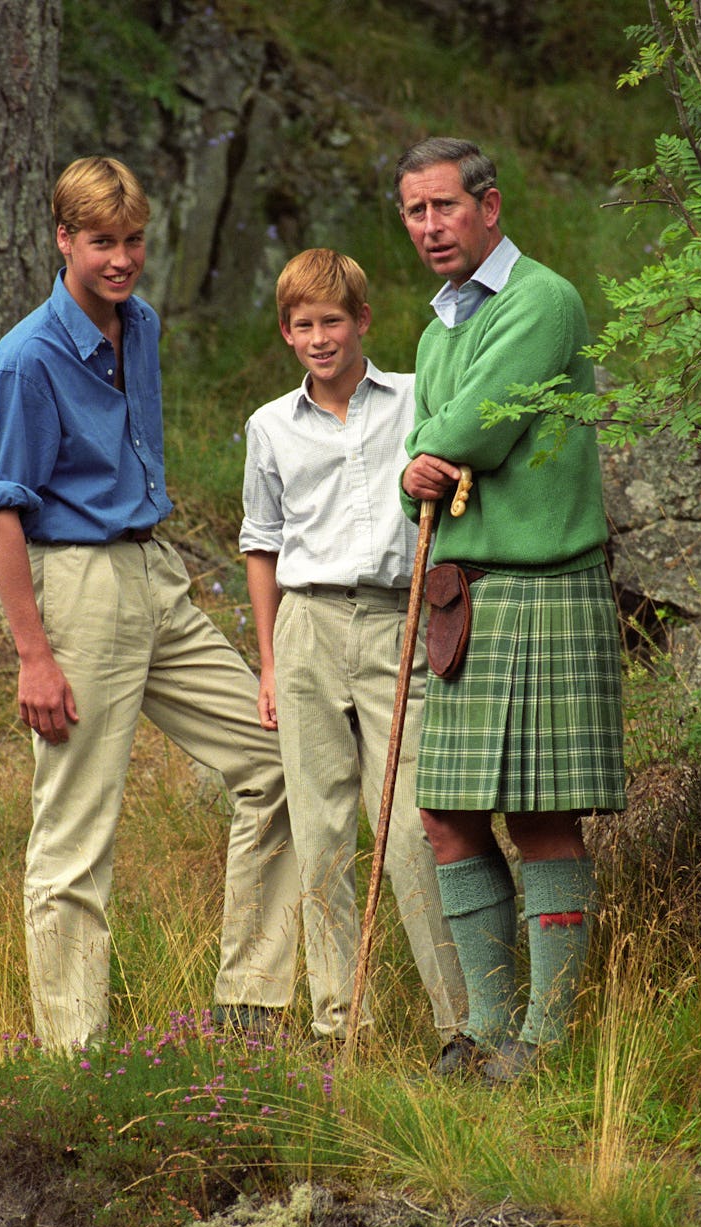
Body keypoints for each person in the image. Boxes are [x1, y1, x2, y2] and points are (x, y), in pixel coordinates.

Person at [0, 156, 301, 1052]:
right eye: (101, 242)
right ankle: (74, 1065)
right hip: (75, 587)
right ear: (63, 239)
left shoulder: (140, 324)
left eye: (134, 241)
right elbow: (0, 512)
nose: (121, 259)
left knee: (280, 762)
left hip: (154, 575)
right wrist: (33, 655)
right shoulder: (26, 360)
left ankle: (249, 1010)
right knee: (77, 832)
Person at [394, 137, 626, 1083]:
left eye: (445, 206)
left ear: (489, 205)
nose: (430, 227)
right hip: (466, 596)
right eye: (414, 212)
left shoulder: (542, 298)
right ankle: (486, 1031)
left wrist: (430, 450)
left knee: (540, 819)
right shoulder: (437, 325)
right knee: (446, 816)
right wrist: (423, 453)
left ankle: (549, 1039)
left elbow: (471, 431)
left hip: (543, 586)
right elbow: (417, 450)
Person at [239, 247, 470, 1064]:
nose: (319, 338)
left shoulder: (414, 398)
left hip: (395, 623)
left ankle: (460, 1024)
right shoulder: (270, 426)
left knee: (413, 827)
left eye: (332, 321)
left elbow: (453, 480)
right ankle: (341, 1025)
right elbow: (262, 545)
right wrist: (270, 661)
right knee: (323, 833)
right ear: (287, 334)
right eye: (302, 325)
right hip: (305, 628)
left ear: (362, 321)